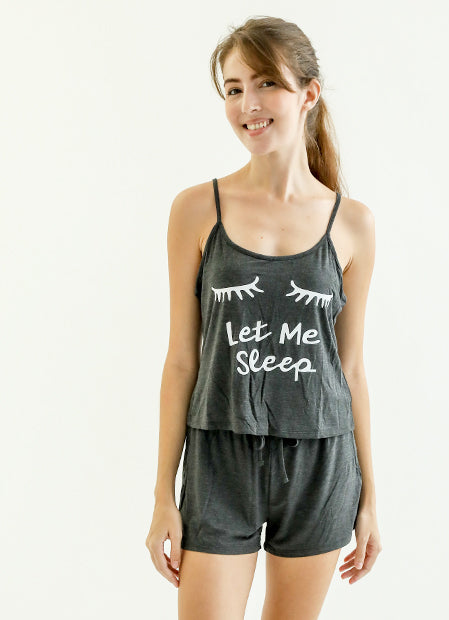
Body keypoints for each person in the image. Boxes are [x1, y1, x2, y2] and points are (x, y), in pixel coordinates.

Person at [146, 15, 382, 619]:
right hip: (218, 458)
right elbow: (181, 361)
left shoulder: (352, 223)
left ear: (308, 93)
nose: (248, 104)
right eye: (233, 88)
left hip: (321, 463)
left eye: (266, 83)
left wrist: (370, 498)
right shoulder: (196, 209)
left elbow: (351, 369)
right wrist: (163, 495)